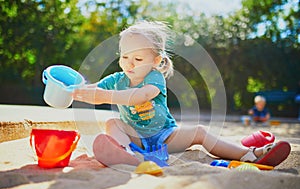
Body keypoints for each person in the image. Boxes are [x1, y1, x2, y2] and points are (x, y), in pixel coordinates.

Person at [73, 21, 290, 167]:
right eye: (125, 57)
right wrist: (76, 91)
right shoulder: (115, 79)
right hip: (136, 139)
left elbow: (141, 96)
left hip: (166, 136)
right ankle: (127, 155)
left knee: (199, 132)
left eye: (138, 59)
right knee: (113, 123)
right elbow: (94, 89)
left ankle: (248, 155)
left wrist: (105, 97)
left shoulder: (154, 77)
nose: (129, 64)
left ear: (155, 61)